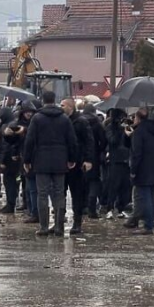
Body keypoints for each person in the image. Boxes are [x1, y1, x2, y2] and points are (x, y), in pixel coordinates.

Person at [23, 91, 77, 236]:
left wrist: (27, 160)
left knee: (42, 194)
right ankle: (59, 227)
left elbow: (29, 140)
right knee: (59, 194)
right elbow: (72, 141)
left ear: (43, 101)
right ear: (55, 100)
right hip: (60, 161)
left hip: (41, 161)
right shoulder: (64, 119)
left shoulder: (37, 118)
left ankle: (44, 227)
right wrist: (72, 159)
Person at [61, 98, 95, 234]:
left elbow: (89, 141)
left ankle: (77, 222)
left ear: (70, 107)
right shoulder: (62, 121)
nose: (60, 107)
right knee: (60, 194)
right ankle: (59, 220)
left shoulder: (81, 121)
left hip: (78, 163)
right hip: (63, 162)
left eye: (63, 105)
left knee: (77, 195)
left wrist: (88, 160)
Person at [129, 107, 154, 235]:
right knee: (150, 196)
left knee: (146, 198)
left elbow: (137, 153)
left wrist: (133, 170)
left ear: (137, 118)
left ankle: (148, 226)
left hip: (143, 170)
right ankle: (151, 222)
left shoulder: (139, 132)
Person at [103, 109, 132, 219]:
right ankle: (109, 208)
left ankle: (121, 208)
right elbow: (112, 141)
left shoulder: (124, 128)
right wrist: (121, 131)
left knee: (124, 186)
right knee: (113, 185)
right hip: (115, 160)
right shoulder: (110, 128)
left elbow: (128, 144)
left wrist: (129, 134)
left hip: (125, 159)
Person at [81, 104, 108, 218]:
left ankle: (81, 206)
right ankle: (92, 208)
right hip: (94, 156)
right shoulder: (98, 124)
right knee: (94, 181)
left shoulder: (79, 122)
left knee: (81, 182)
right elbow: (104, 141)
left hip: (80, 156)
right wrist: (99, 150)